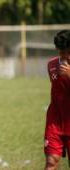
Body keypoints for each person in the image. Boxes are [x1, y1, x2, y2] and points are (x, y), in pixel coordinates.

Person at [44, 30, 70, 170]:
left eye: (69, 52)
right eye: (62, 52)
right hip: (54, 121)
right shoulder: (52, 65)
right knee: (51, 162)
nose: (66, 56)